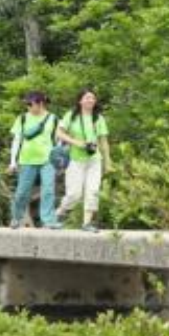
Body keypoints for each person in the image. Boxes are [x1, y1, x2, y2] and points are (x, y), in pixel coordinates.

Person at [56, 89, 111, 232]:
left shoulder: (98, 118)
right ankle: (59, 213)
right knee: (74, 194)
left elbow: (103, 141)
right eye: (87, 98)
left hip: (94, 160)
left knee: (93, 192)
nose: (91, 100)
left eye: (93, 98)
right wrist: (76, 142)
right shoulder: (71, 115)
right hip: (76, 160)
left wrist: (108, 161)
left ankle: (86, 224)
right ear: (80, 101)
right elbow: (59, 133)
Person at [7, 91, 61, 229]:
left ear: (40, 103)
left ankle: (48, 221)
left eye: (30, 104)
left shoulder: (53, 119)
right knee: (22, 192)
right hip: (27, 160)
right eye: (27, 104)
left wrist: (59, 157)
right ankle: (16, 218)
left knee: (48, 190)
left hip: (48, 159)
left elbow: (59, 140)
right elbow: (16, 140)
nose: (28, 107)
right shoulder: (22, 118)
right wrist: (13, 162)